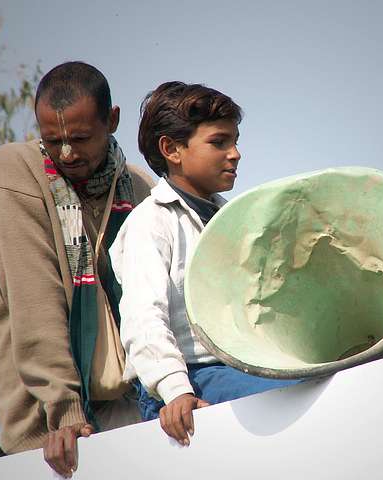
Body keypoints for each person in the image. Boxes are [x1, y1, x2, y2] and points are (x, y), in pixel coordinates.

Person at [0, 61, 154, 478]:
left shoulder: (138, 187)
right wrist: (64, 411)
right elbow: (35, 298)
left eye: (81, 138)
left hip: (137, 416)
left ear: (113, 120)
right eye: (54, 140)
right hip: (53, 435)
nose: (66, 153)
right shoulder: (14, 173)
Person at [109, 81, 298, 447]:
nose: (236, 153)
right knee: (299, 392)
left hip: (242, 368)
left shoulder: (232, 220)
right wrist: (174, 389)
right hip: (193, 375)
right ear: (171, 149)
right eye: (219, 142)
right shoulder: (150, 223)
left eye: (236, 140)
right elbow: (143, 317)